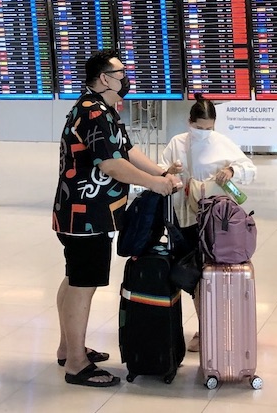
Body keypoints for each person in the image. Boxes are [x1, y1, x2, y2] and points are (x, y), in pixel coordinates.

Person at [53, 49, 180, 388]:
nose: (126, 77)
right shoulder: (93, 112)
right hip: (85, 215)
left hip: (85, 213)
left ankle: (69, 348)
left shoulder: (100, 109)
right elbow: (111, 165)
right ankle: (77, 364)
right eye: (121, 72)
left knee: (75, 278)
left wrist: (161, 171)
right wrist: (154, 183)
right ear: (105, 78)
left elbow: (126, 149)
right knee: (84, 283)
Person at [159, 93, 256, 352]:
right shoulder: (177, 143)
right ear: (189, 122)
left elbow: (249, 169)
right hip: (185, 217)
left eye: (208, 128)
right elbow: (161, 170)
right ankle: (205, 328)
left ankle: (214, 327)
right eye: (198, 127)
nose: (203, 132)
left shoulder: (222, 143)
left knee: (214, 272)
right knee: (194, 273)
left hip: (216, 220)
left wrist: (232, 171)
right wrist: (169, 172)